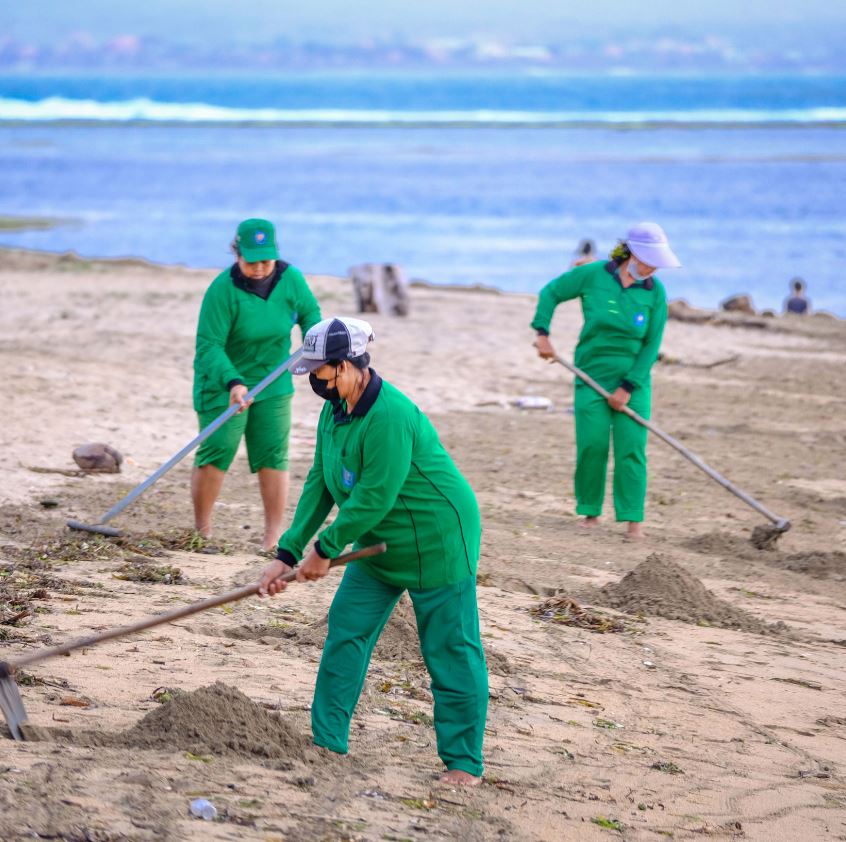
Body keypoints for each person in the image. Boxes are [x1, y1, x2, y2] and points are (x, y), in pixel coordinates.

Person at [258, 316, 488, 786]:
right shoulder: (335, 410)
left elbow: (374, 495)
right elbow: (321, 482)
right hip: (375, 541)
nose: (313, 381)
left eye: (318, 371)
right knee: (346, 630)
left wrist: (324, 548)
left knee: (450, 648)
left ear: (345, 366)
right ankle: (327, 741)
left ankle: (463, 763)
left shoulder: (390, 415)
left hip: (438, 537)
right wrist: (288, 551)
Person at [531, 222, 680, 540]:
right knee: (593, 444)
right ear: (634, 253)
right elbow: (551, 293)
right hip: (590, 376)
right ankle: (590, 511)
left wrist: (627, 387)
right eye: (650, 259)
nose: (654, 267)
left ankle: (632, 519)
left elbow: (651, 346)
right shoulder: (594, 275)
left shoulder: (656, 293)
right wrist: (542, 334)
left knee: (631, 448)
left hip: (634, 382)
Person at [192, 218, 321, 552]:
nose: (261, 267)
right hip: (223, 383)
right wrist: (233, 382)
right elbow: (209, 346)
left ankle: (272, 538)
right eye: (252, 261)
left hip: (274, 382)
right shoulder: (222, 290)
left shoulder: (290, 279)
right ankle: (202, 532)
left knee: (273, 455)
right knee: (217, 450)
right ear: (238, 254)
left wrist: (318, 351)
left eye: (267, 259)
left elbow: (311, 318)